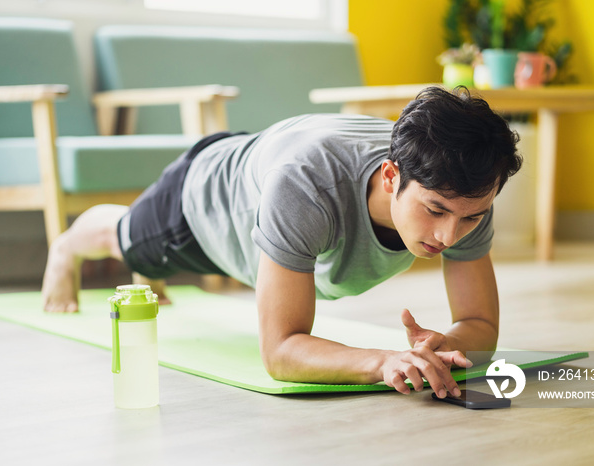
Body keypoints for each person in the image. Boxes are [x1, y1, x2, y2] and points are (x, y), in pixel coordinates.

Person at [42, 86, 521, 397]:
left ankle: (149, 272)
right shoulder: (306, 186)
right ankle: (67, 247)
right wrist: (383, 362)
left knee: (150, 265)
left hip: (268, 165)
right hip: (206, 197)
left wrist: (446, 348)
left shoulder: (466, 189)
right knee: (126, 239)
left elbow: (479, 323)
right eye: (435, 211)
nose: (449, 235)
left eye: (470, 218)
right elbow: (280, 350)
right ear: (392, 176)